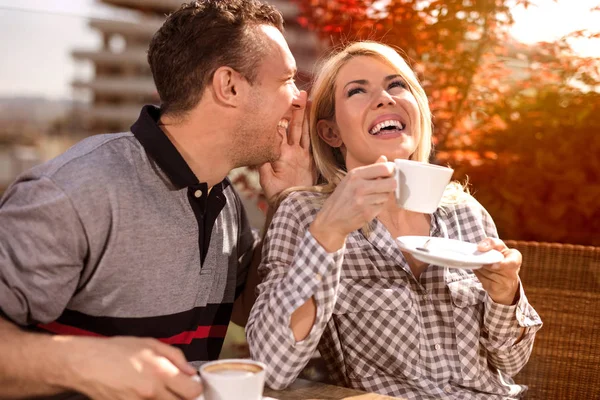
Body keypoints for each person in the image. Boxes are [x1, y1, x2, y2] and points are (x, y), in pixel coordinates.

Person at [0, 1, 313, 399]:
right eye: (286, 79)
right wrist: (85, 362)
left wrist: (288, 204)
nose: (299, 98)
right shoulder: (77, 192)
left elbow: (253, 311)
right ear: (229, 86)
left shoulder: (224, 201)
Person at [246, 41, 543, 399]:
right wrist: (329, 231)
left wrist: (505, 293)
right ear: (330, 133)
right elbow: (273, 366)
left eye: (396, 84)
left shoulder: (465, 212)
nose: (385, 98)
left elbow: (511, 362)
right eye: (357, 91)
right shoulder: (305, 213)